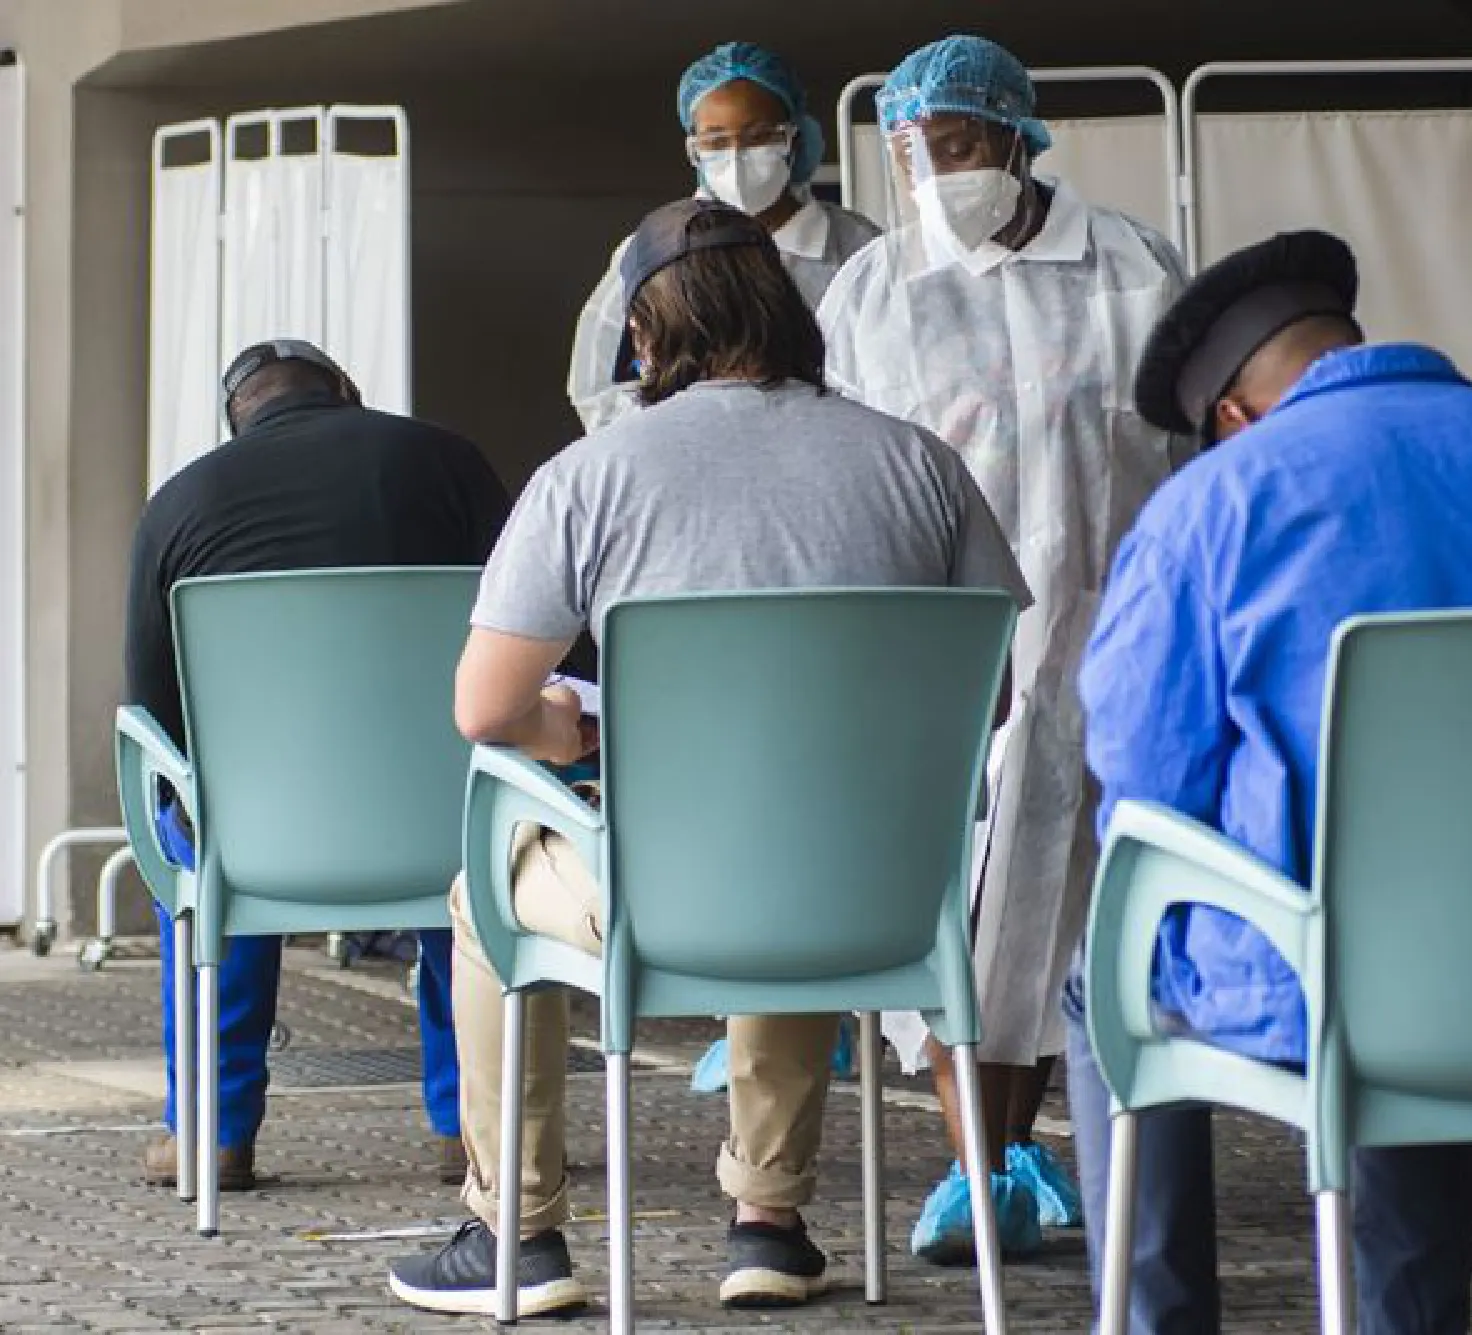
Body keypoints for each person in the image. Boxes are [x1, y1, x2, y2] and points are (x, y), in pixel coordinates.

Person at [387, 198, 1031, 1318]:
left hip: (666, 895)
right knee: (800, 824)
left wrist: (578, 730)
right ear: (790, 312)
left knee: (482, 893)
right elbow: (993, 693)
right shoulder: (920, 465)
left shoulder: (590, 476)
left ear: (642, 337)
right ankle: (770, 1224)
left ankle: (518, 1235)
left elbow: (484, 710)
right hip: (878, 897)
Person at [1070, 230, 1472, 1334]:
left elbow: (1142, 785)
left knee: (1100, 974)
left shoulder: (1211, 508)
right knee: (1425, 935)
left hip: (1336, 990)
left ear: (1230, 414)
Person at [816, 33, 1194, 1265]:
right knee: (957, 901)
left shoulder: (1130, 264)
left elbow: (1180, 446)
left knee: (1073, 905)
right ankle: (981, 1163)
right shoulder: (875, 291)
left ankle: (1030, 1150)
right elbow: (850, 468)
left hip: (1104, 631)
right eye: (909, 150)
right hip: (944, 641)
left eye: (959, 144)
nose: (933, 171)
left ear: (1020, 139)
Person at [124, 339, 512, 1192]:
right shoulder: (450, 464)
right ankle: (476, 1123)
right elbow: (532, 633)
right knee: (482, 816)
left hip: (260, 840)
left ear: (239, 420)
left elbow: (153, 712)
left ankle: (212, 1131)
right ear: (349, 393)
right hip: (440, 828)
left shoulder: (180, 503)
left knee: (192, 822)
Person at [566, 40, 881, 433]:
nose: (736, 157)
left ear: (793, 138)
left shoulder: (862, 250)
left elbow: (899, 372)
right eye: (715, 142)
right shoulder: (657, 251)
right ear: (694, 150)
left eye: (758, 137)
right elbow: (599, 386)